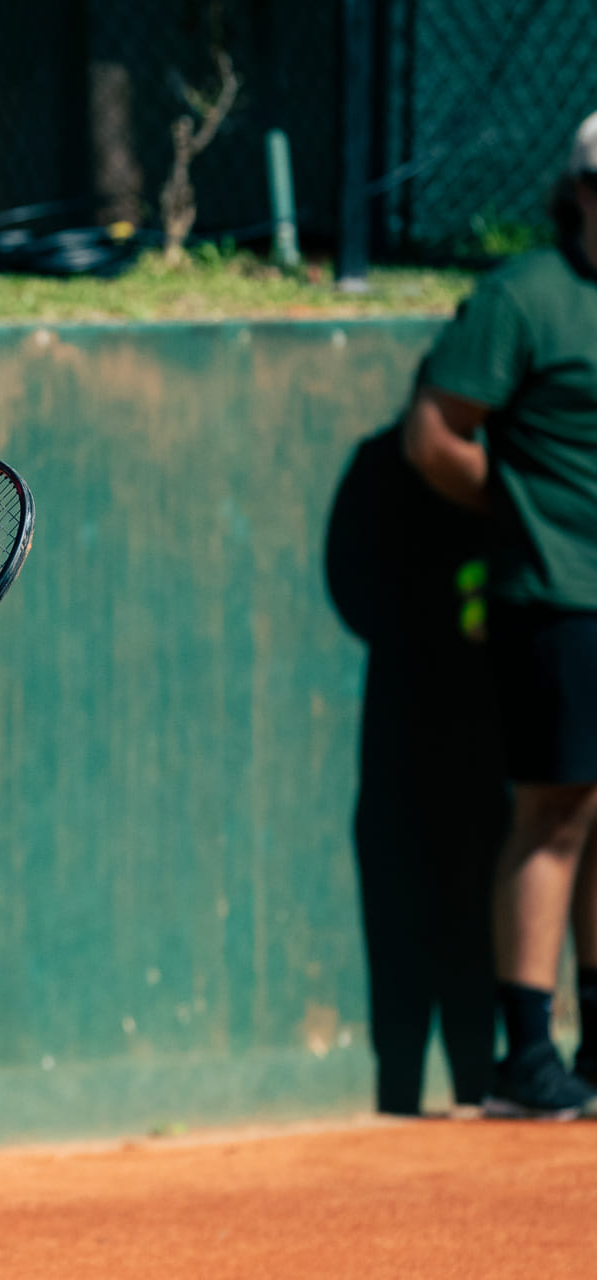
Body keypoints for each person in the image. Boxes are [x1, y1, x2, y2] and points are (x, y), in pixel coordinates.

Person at [402, 111, 597, 1119]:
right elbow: (435, 434)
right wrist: (522, 511)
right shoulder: (527, 298)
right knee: (556, 811)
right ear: (579, 193)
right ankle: (527, 1055)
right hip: (556, 594)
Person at [326, 424, 505, 1115]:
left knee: (478, 901)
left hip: (490, 748)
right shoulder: (381, 463)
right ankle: (398, 1096)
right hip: (403, 747)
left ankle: (485, 1086)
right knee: (404, 913)